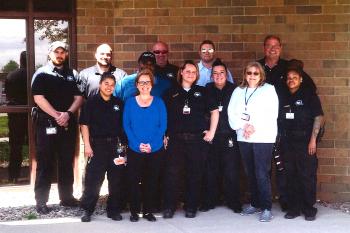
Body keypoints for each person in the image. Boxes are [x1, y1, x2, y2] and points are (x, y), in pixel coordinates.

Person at [257, 35, 317, 211]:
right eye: (269, 46)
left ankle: (286, 200)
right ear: (264, 48)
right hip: (263, 122)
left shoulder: (288, 67)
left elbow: (310, 87)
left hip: (285, 124)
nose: (272, 49)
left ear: (281, 48)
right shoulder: (257, 67)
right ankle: (263, 200)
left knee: (283, 165)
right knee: (264, 163)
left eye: (276, 46)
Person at [31, 41, 83, 214]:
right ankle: (41, 201)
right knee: (45, 162)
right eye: (56, 52)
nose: (59, 55)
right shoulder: (42, 74)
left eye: (62, 52)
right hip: (46, 123)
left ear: (66, 54)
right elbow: (39, 98)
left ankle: (67, 198)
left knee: (66, 161)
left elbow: (79, 97)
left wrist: (67, 114)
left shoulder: (73, 74)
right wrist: (57, 115)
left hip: (67, 123)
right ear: (49, 54)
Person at [162, 60, 219, 219]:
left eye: (194, 72)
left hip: (196, 141)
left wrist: (212, 132)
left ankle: (191, 206)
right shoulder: (170, 92)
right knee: (172, 174)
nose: (191, 74)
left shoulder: (203, 91)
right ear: (181, 72)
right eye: (188, 71)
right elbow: (162, 115)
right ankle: (169, 207)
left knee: (194, 174)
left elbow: (215, 112)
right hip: (175, 140)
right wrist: (164, 135)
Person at [227, 61, 279, 222]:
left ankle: (266, 207)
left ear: (261, 75)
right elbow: (232, 112)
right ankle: (255, 202)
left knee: (261, 172)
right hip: (244, 136)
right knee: (250, 172)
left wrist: (253, 126)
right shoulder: (238, 91)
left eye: (256, 73)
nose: (252, 76)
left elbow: (271, 113)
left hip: (263, 137)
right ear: (245, 74)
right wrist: (244, 126)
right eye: (249, 73)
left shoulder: (268, 90)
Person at [279, 65, 324, 221]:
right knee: (290, 175)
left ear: (301, 79)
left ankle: (309, 208)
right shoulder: (283, 96)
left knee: (307, 176)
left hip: (306, 142)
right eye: (289, 78)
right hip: (288, 142)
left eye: (295, 77)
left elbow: (318, 117)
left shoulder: (309, 95)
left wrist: (313, 140)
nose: (291, 80)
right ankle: (294, 208)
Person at [79, 73, 126, 222]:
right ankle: (87, 210)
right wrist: (87, 145)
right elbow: (84, 124)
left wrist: (124, 146)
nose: (109, 87)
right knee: (93, 180)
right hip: (97, 145)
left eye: (112, 84)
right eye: (106, 83)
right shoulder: (91, 102)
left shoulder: (119, 103)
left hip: (116, 146)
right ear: (100, 84)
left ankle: (113, 210)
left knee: (116, 180)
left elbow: (124, 126)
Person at [123, 69, 167, 222]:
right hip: (135, 149)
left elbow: (162, 126)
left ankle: (148, 210)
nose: (144, 85)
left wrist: (152, 145)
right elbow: (126, 126)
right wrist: (137, 144)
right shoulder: (129, 103)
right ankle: (134, 211)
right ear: (136, 84)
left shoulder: (159, 102)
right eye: (141, 82)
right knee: (134, 180)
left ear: (151, 84)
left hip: (155, 149)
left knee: (151, 180)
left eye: (147, 82)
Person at [201, 58, 242, 213]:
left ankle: (233, 201)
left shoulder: (235, 90)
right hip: (212, 136)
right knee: (211, 170)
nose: (218, 76)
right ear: (211, 76)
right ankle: (209, 201)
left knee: (231, 170)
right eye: (215, 73)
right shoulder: (207, 89)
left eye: (222, 73)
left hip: (230, 135)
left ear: (227, 74)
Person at [5, 51, 28, 183]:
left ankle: (13, 176)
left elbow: (8, 95)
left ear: (20, 60)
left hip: (15, 115)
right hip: (31, 114)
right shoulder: (34, 75)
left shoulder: (12, 75)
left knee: (15, 146)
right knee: (36, 145)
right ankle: (37, 175)